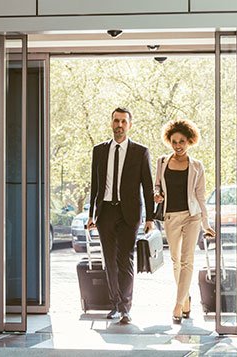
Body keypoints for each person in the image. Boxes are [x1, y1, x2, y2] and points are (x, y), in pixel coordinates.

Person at [87, 107, 154, 324]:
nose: (119, 125)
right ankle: (114, 304)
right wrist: (91, 215)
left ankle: (126, 307)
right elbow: (95, 186)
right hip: (105, 211)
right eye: (116, 121)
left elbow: (147, 186)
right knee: (109, 260)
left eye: (124, 121)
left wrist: (150, 218)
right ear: (111, 123)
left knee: (125, 259)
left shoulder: (140, 152)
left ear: (129, 125)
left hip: (129, 213)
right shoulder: (99, 151)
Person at [154, 118, 216, 324]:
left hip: (192, 217)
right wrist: (157, 195)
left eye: (182, 141)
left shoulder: (197, 166)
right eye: (174, 141)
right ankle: (186, 299)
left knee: (187, 259)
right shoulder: (162, 162)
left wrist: (206, 224)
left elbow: (201, 196)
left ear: (189, 141)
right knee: (176, 261)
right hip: (171, 217)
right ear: (169, 141)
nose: (178, 145)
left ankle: (178, 305)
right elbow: (157, 186)